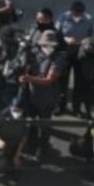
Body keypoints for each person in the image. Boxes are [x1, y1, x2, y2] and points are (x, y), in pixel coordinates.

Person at [22, 30, 66, 160]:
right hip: (32, 95)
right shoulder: (34, 53)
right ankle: (32, 145)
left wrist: (28, 78)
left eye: (50, 45)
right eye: (45, 45)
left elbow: (49, 80)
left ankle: (43, 148)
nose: (47, 48)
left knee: (44, 126)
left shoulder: (59, 58)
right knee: (30, 124)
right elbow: (25, 66)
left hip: (48, 98)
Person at [55, 1, 94, 116]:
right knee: (63, 81)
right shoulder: (63, 17)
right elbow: (57, 32)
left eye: (80, 13)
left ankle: (76, 107)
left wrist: (86, 40)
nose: (78, 15)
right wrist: (66, 39)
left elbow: (92, 34)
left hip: (80, 52)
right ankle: (61, 106)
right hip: (66, 51)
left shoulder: (88, 19)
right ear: (71, 11)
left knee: (80, 81)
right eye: (76, 13)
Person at [0, 99, 29, 181]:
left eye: (19, 111)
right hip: (0, 140)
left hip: (13, 144)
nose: (17, 113)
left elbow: (23, 139)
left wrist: (17, 155)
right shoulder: (3, 114)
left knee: (14, 163)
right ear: (11, 108)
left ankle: (9, 164)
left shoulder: (25, 120)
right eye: (15, 110)